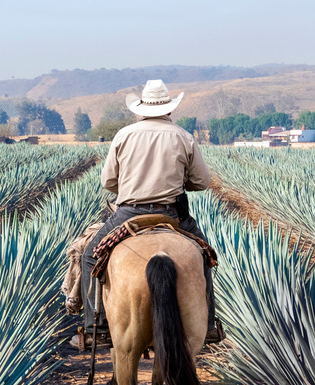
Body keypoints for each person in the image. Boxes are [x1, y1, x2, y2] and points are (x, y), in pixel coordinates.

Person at [72, 79, 221, 349]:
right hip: (172, 214)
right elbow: (201, 182)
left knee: (89, 257)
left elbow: (108, 182)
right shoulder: (183, 136)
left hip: (128, 213)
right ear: (169, 108)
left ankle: (97, 326)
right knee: (204, 256)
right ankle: (208, 325)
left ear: (141, 108)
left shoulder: (123, 135)